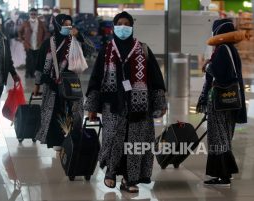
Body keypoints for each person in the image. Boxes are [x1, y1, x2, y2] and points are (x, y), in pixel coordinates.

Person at [84, 11, 167, 193]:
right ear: (114, 26)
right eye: (119, 23)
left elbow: (155, 79)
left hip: (139, 107)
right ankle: (111, 173)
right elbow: (96, 79)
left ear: (131, 27)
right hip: (112, 106)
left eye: (126, 24)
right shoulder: (106, 50)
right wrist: (91, 108)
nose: (123, 27)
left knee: (135, 143)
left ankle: (130, 179)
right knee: (114, 139)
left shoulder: (142, 49)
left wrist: (160, 103)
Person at [196, 19, 247, 187]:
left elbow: (220, 74)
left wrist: (208, 66)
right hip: (231, 102)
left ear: (218, 32)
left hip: (220, 103)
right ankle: (224, 174)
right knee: (224, 136)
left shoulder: (222, 49)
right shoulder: (231, 49)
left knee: (218, 138)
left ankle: (223, 175)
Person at [34, 14, 94, 150]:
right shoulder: (48, 43)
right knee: (54, 111)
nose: (68, 27)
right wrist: (37, 85)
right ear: (57, 25)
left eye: (70, 24)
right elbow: (39, 65)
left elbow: (91, 49)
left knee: (73, 111)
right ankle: (57, 140)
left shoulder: (75, 41)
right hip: (52, 85)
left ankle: (72, 139)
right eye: (65, 24)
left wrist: (79, 36)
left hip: (71, 83)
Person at [18, 8, 47, 78]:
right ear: (29, 14)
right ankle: (28, 73)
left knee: (36, 60)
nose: (33, 15)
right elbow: (19, 31)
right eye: (31, 14)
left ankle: (33, 73)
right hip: (28, 44)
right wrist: (22, 40)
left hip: (38, 44)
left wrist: (43, 41)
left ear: (37, 14)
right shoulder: (25, 23)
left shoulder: (41, 23)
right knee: (29, 59)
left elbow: (45, 32)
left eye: (34, 14)